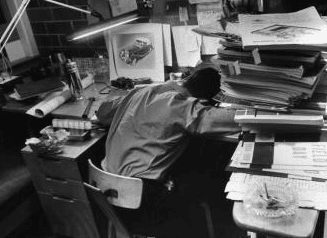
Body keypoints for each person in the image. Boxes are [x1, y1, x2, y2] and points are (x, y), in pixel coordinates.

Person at [95, 66, 239, 225]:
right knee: (204, 169)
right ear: (204, 101)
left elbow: (102, 112)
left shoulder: (140, 91)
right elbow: (216, 120)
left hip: (106, 193)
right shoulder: (181, 105)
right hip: (142, 200)